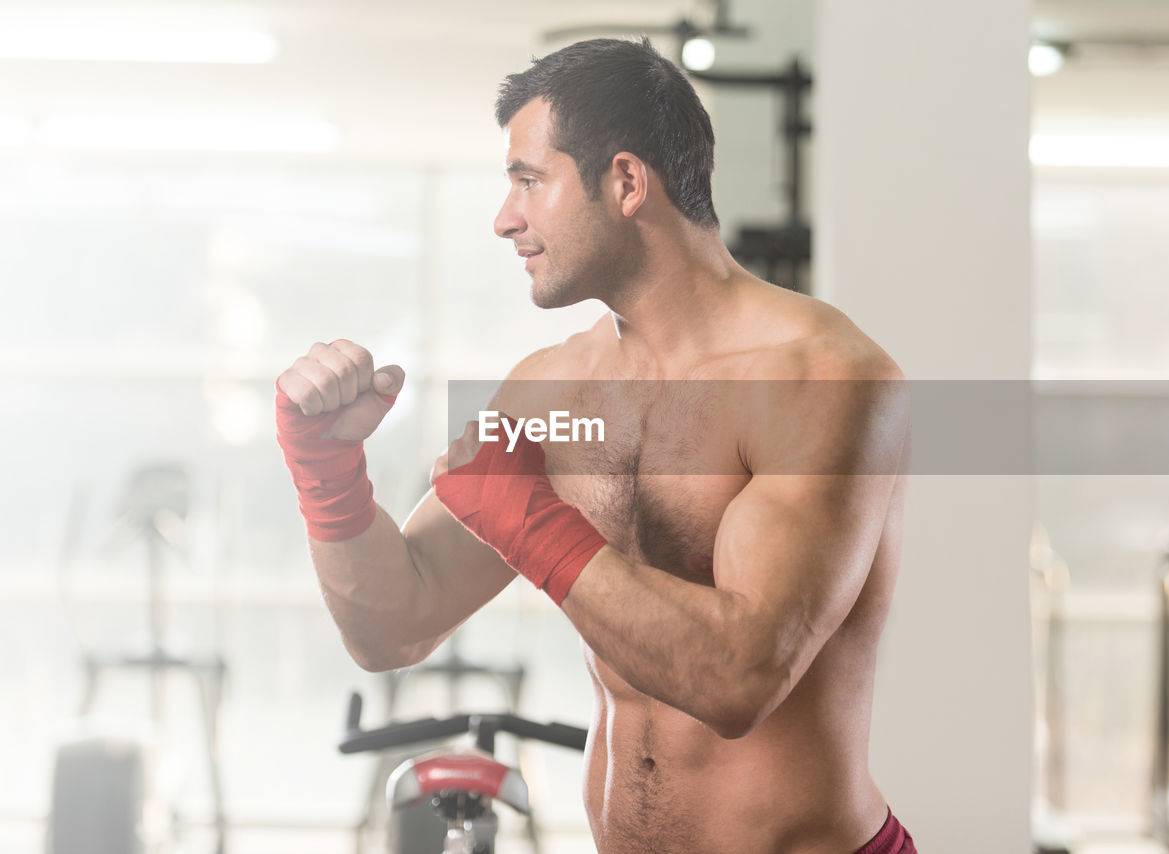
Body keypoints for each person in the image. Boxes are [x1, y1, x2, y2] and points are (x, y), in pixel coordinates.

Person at [275, 38, 914, 854]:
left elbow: (739, 678)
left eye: (529, 182)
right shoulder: (552, 391)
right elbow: (392, 625)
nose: (505, 218)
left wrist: (532, 523)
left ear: (625, 182)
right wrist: (328, 474)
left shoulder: (820, 378)